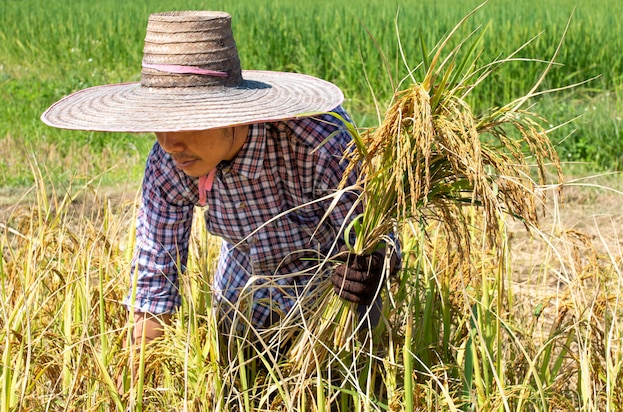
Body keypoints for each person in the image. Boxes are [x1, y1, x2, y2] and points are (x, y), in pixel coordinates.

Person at [41, 11, 393, 359]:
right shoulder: (172, 161)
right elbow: (154, 274)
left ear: (231, 113)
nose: (169, 143)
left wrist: (373, 265)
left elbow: (379, 236)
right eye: (158, 124)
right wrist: (138, 376)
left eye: (184, 123)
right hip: (241, 297)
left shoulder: (319, 141)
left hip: (330, 302)